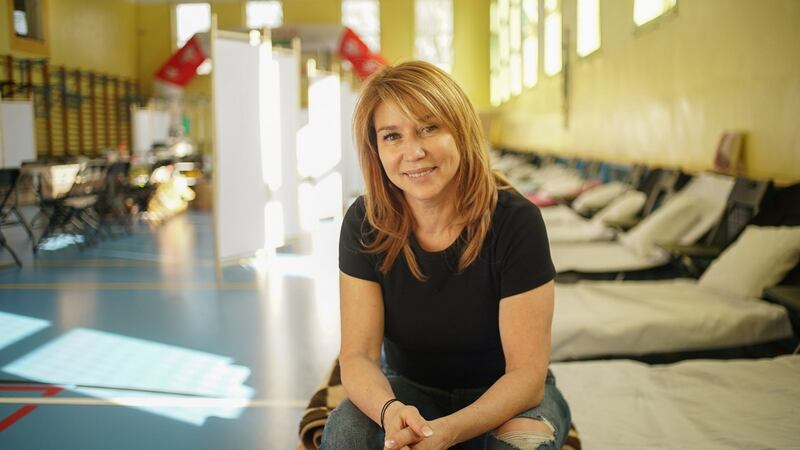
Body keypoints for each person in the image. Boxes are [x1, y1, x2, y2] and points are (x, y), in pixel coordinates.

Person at [320, 60, 571, 450]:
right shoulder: (364, 222)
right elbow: (358, 356)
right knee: (346, 435)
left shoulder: (515, 221)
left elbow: (526, 375)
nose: (413, 151)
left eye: (429, 127)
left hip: (505, 395)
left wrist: (448, 432)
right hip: (409, 390)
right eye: (392, 136)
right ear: (376, 150)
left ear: (461, 131)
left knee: (520, 445)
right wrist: (389, 411)